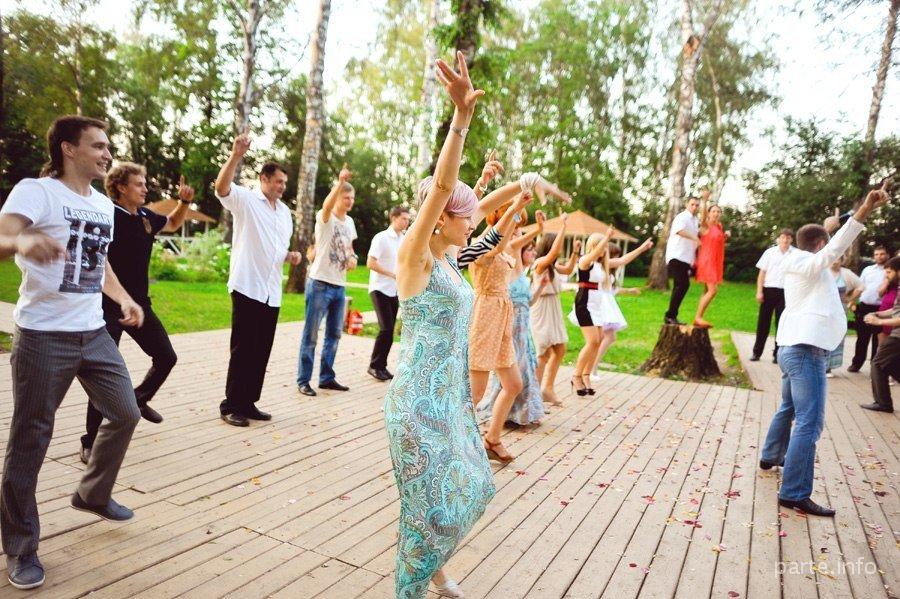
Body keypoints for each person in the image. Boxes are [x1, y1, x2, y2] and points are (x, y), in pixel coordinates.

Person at [0, 116, 146, 589]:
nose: (107, 154)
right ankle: (21, 546)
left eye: (108, 146)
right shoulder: (37, 192)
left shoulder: (102, 204)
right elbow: (2, 236)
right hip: (44, 335)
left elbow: (97, 264)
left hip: (92, 331)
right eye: (98, 146)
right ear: (68, 148)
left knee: (125, 411)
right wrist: (22, 240)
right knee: (30, 440)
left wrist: (122, 298)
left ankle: (92, 493)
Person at [383, 51, 494, 599]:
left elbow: (474, 206)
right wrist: (460, 119)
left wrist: (507, 187)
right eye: (465, 216)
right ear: (442, 216)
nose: (473, 224)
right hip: (415, 402)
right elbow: (445, 187)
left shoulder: (450, 260)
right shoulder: (416, 256)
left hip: (447, 397)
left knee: (469, 487)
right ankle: (415, 586)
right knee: (429, 502)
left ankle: (434, 569)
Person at [759, 182, 890, 517]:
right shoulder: (807, 263)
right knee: (810, 422)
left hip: (793, 348)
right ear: (820, 245)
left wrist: (832, 224)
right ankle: (794, 492)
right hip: (805, 351)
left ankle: (771, 455)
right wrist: (865, 209)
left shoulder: (800, 259)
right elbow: (834, 248)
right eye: (826, 243)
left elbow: (827, 241)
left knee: (789, 407)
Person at [76, 165, 194, 464]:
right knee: (102, 374)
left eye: (144, 184)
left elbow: (172, 223)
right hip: (107, 306)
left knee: (166, 357)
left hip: (140, 305)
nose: (144, 189)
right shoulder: (107, 215)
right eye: (138, 184)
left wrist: (183, 202)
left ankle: (138, 399)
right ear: (120, 187)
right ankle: (90, 442)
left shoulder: (145, 217)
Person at [215, 134, 302, 426]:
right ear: (264, 179)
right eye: (278, 181)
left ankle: (249, 402)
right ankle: (231, 405)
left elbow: (275, 249)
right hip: (247, 285)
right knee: (242, 349)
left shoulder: (285, 213)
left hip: (271, 291)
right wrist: (235, 155)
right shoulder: (247, 200)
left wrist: (289, 256)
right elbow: (221, 188)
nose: (282, 186)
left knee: (261, 350)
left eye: (284, 183)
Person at [468, 194, 539, 464]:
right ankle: (454, 444)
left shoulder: (506, 245)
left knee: (513, 384)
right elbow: (496, 246)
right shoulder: (481, 244)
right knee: (475, 393)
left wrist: (518, 212)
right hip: (485, 315)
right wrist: (516, 208)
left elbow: (506, 245)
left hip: (503, 316)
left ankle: (492, 439)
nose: (518, 226)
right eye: (515, 220)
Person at [477, 211, 548, 428]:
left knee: (520, 374)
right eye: (515, 226)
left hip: (519, 326)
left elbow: (528, 301)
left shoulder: (512, 258)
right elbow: (509, 242)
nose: (518, 232)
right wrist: (535, 227)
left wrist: (540, 287)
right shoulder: (497, 248)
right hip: (500, 319)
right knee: (506, 375)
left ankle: (516, 417)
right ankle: (496, 420)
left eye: (519, 227)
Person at [296, 168, 358, 397]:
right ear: (338, 197)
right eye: (346, 197)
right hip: (320, 283)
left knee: (334, 334)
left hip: (339, 285)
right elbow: (325, 206)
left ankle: (326, 378)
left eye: (352, 198)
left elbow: (350, 248)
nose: (350, 201)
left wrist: (353, 259)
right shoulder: (325, 218)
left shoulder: (350, 222)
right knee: (311, 335)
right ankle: (303, 380)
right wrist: (339, 182)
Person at [570, 228, 654, 394]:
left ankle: (586, 375)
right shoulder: (585, 261)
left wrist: (642, 248)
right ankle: (576, 376)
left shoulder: (602, 265)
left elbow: (622, 260)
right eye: (602, 246)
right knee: (592, 341)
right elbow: (594, 254)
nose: (604, 250)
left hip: (596, 306)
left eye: (605, 247)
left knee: (599, 340)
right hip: (584, 304)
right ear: (594, 246)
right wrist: (606, 237)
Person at [531, 220, 580, 407]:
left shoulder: (552, 266)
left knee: (560, 348)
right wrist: (563, 227)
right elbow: (552, 254)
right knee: (543, 353)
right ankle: (534, 395)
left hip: (554, 308)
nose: (558, 252)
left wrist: (575, 252)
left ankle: (548, 389)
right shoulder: (540, 264)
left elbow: (568, 269)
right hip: (542, 309)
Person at [366, 206, 410, 381]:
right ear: (393, 218)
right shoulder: (381, 238)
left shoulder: (404, 239)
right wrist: (392, 274)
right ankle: (374, 366)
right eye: (404, 218)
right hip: (379, 288)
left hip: (395, 290)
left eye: (408, 219)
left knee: (389, 330)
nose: (407, 222)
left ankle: (381, 366)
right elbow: (370, 263)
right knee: (386, 328)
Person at [861, 255, 900, 412]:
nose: (887, 276)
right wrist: (878, 314)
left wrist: (879, 322)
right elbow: (896, 310)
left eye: (889, 272)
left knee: (877, 363)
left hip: (898, 335)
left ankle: (883, 403)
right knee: (889, 364)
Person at [751, 229, 795, 362]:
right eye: (783, 237)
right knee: (763, 323)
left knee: (781, 324)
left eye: (788, 237)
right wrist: (759, 291)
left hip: (786, 292)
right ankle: (757, 352)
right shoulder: (770, 253)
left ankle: (777, 354)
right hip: (769, 290)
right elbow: (762, 274)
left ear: (791, 239)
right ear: (778, 239)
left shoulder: (795, 254)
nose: (785, 240)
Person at [848, 245, 890, 372]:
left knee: (878, 338)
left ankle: (874, 365)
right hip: (864, 306)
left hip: (881, 308)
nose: (879, 257)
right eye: (876, 254)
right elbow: (860, 286)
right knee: (862, 337)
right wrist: (852, 300)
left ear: (887, 255)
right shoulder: (867, 270)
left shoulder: (890, 271)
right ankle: (856, 363)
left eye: (882, 254)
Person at [692, 191, 729, 328]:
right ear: (709, 213)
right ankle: (698, 317)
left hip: (715, 262)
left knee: (706, 291)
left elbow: (716, 242)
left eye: (718, 212)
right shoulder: (705, 225)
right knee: (713, 291)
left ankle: (699, 317)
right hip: (707, 262)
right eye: (713, 211)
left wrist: (725, 236)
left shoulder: (719, 227)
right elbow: (702, 216)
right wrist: (704, 200)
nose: (716, 213)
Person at [663, 195, 700, 325]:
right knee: (683, 284)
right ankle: (670, 315)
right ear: (687, 205)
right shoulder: (682, 217)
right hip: (676, 255)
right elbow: (679, 231)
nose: (694, 207)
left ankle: (671, 316)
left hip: (686, 258)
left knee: (680, 286)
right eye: (692, 204)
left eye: (697, 205)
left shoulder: (695, 221)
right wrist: (695, 238)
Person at [825, 256, 863, 378]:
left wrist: (850, 299)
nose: (834, 262)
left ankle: (830, 366)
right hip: (824, 308)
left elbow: (861, 286)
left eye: (837, 259)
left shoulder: (846, 273)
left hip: (840, 310)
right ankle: (821, 365)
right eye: (833, 259)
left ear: (841, 261)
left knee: (836, 335)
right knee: (823, 335)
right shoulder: (824, 271)